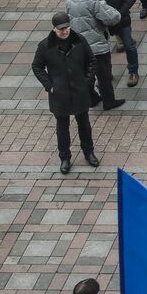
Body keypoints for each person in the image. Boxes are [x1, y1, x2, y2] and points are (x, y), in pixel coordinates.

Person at [31, 11, 99, 175]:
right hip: (59, 95)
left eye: (67, 27)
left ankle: (88, 152)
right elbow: (37, 67)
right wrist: (50, 86)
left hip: (79, 92)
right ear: (54, 29)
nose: (65, 31)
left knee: (84, 124)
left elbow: (91, 60)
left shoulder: (79, 41)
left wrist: (87, 81)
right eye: (61, 29)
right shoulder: (45, 46)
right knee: (62, 128)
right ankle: (65, 157)